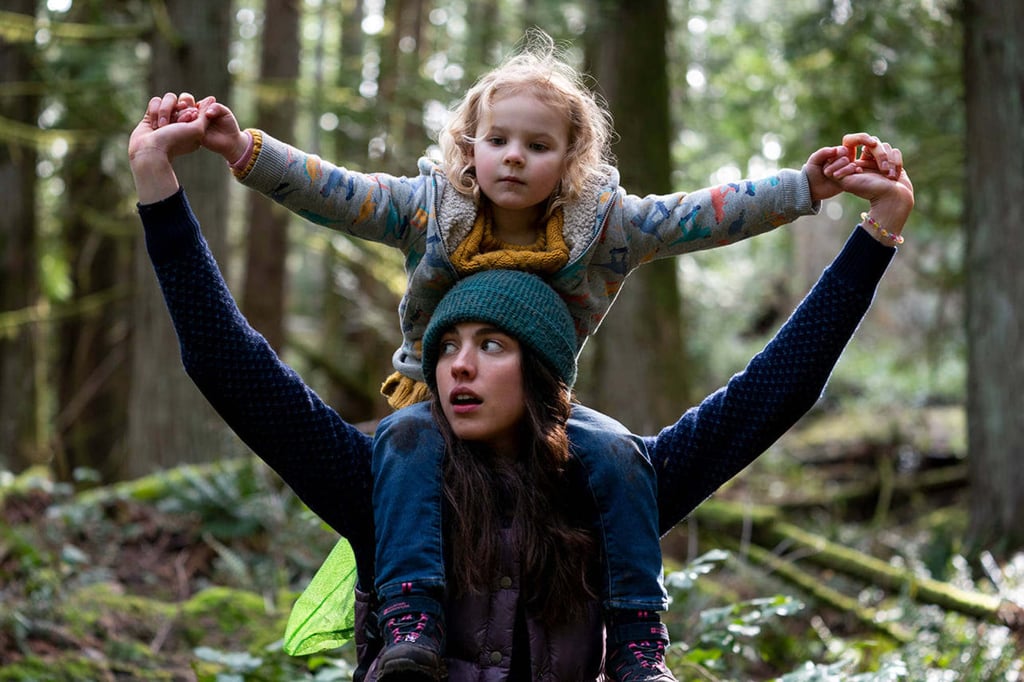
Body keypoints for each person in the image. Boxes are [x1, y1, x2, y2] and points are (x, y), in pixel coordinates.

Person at [157, 30, 905, 677]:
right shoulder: (387, 481)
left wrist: (875, 230)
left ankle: (641, 649)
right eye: (447, 346)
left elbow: (781, 383)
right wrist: (161, 187)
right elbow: (225, 360)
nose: (458, 364)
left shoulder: (611, 487)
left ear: (542, 368)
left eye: (492, 345)